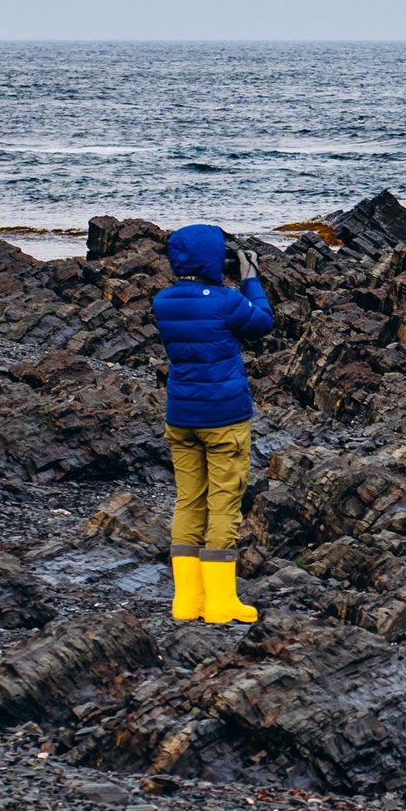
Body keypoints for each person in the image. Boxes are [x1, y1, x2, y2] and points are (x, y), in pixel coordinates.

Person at [152, 225, 275, 623]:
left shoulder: (163, 302)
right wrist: (250, 279)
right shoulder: (225, 301)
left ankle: (187, 601)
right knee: (223, 504)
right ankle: (221, 602)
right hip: (224, 418)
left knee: (189, 502)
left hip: (181, 415)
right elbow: (261, 323)